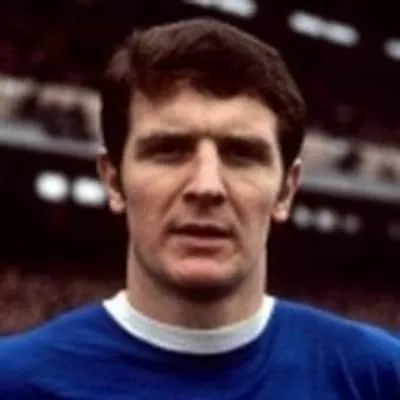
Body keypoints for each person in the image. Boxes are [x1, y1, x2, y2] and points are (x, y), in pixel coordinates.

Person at [0, 18, 399, 399]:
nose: (206, 187)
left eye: (242, 154)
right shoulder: (15, 383)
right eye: (168, 151)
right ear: (113, 180)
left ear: (286, 190)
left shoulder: (378, 379)